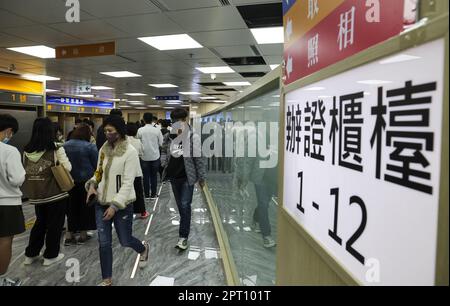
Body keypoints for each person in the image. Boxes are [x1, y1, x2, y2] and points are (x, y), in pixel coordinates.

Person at [86, 115, 149, 286]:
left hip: (122, 205)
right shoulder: (103, 150)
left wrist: (115, 205)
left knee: (124, 240)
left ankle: (143, 249)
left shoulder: (130, 152)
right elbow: (98, 172)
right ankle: (107, 279)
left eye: (110, 131)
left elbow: (128, 182)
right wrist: (92, 184)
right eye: (105, 130)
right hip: (100, 203)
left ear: (119, 132)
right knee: (104, 242)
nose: (107, 134)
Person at [22, 117, 72, 266]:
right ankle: (50, 256)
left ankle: (30, 254)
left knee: (40, 222)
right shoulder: (56, 149)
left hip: (37, 193)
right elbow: (67, 168)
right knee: (55, 224)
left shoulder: (26, 150)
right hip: (55, 193)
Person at [161, 108, 206, 250]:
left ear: (185, 120)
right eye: (174, 121)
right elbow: (163, 150)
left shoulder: (193, 137)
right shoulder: (168, 136)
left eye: (179, 121)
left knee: (185, 205)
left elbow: (199, 158)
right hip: (174, 176)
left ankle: (183, 237)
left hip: (188, 176)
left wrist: (201, 177)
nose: (177, 124)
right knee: (181, 206)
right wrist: (164, 163)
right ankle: (185, 223)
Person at [0, 114, 26, 286]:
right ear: (8, 131)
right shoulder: (9, 151)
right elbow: (16, 179)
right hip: (6, 203)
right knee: (4, 241)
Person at [63, 125, 98, 245]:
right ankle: (83, 236)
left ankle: (69, 235)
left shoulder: (65, 145)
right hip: (86, 182)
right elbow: (97, 165)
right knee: (85, 208)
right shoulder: (90, 147)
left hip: (68, 181)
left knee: (70, 208)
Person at [137, 113, 163, 200]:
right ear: (152, 120)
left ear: (143, 120)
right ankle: (153, 194)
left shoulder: (140, 130)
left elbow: (137, 143)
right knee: (154, 176)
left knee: (145, 176)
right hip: (155, 156)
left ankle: (147, 195)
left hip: (144, 157)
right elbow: (161, 143)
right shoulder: (157, 130)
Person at [126, 123, 148, 219]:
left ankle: (126, 211)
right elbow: (142, 153)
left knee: (125, 191)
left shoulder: (123, 142)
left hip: (125, 170)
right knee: (138, 191)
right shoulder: (138, 141)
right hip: (136, 170)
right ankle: (142, 212)